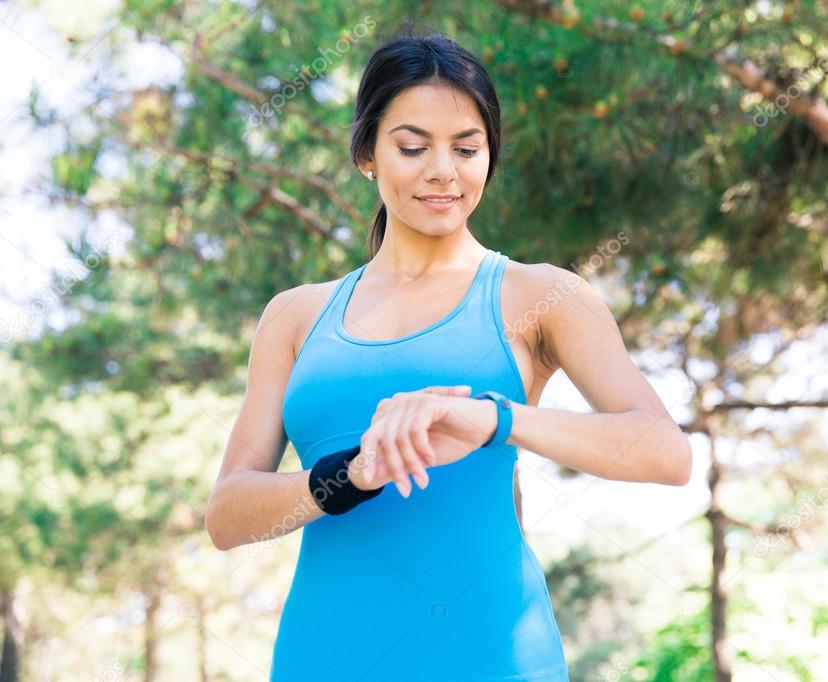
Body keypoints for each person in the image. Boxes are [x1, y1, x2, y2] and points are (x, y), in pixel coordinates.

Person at [204, 29, 693, 681]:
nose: (443, 170)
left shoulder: (542, 294)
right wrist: (350, 476)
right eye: (412, 147)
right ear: (367, 155)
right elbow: (228, 515)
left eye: (467, 148)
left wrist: (494, 418)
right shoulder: (295, 315)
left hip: (491, 656)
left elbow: (664, 451)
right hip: (326, 657)